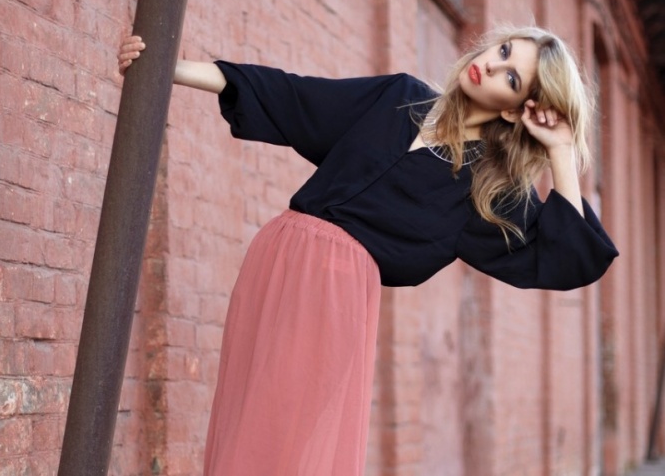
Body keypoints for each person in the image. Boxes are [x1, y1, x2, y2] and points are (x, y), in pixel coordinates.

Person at [118, 25, 618, 476]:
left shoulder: (488, 189)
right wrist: (164, 68)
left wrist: (560, 152)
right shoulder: (400, 97)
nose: (491, 65)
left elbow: (569, 255)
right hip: (276, 258)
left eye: (511, 78)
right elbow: (290, 96)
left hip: (335, 297)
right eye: (503, 51)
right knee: (243, 419)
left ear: (513, 109)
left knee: (284, 440)